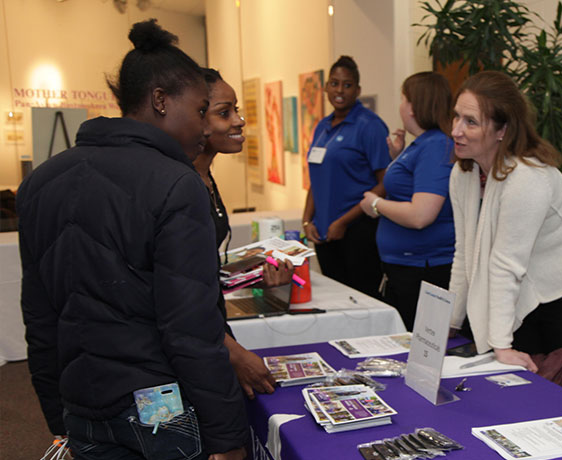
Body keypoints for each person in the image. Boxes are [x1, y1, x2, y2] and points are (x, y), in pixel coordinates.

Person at [17, 20, 246, 460]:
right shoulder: (177, 184)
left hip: (80, 405)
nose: (204, 128)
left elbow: (40, 320)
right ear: (161, 100)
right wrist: (228, 436)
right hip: (158, 409)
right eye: (200, 111)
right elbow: (190, 331)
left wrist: (56, 418)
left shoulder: (41, 182)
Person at [447, 71, 562, 373]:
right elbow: (464, 255)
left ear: (502, 130)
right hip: (529, 295)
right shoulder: (463, 174)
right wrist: (448, 322)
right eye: (456, 117)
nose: (456, 130)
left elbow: (505, 263)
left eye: (470, 121)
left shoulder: (527, 177)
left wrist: (500, 346)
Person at [194, 68, 294, 400]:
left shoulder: (206, 177)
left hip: (213, 331)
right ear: (197, 117)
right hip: (195, 344)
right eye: (225, 112)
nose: (239, 121)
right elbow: (176, 295)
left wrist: (251, 276)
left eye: (236, 110)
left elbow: (201, 271)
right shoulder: (180, 185)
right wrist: (235, 354)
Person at [359, 72, 455, 331]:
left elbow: (421, 215)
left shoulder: (436, 145)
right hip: (407, 266)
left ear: (413, 106)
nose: (400, 106)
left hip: (423, 269)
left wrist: (376, 204)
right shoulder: (421, 145)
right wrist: (397, 156)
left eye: (403, 99)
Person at [302, 55, 390, 298]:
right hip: (325, 234)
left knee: (361, 301)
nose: (339, 90)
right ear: (326, 87)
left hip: (358, 231)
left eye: (347, 84)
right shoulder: (322, 126)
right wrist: (307, 220)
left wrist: (344, 222)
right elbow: (317, 177)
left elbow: (385, 183)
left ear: (358, 90)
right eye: (334, 83)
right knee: (334, 300)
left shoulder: (369, 125)